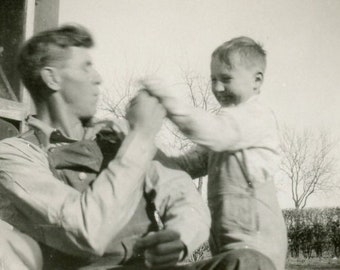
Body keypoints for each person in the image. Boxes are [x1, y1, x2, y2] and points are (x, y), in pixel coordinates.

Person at [0, 24, 210, 270]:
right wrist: (141, 136)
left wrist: (178, 238)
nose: (98, 77)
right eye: (85, 67)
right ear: (52, 78)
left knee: (246, 262)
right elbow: (87, 231)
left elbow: (183, 194)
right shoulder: (17, 154)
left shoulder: (118, 136)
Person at [142, 36, 288, 270]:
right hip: (228, 248)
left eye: (226, 79)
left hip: (259, 248)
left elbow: (210, 131)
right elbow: (187, 165)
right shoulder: (226, 128)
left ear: (256, 81)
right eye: (213, 79)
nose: (218, 88)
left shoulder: (255, 117)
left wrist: (166, 102)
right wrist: (142, 156)